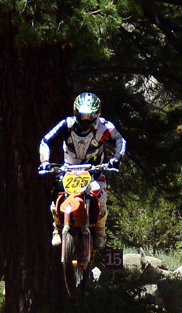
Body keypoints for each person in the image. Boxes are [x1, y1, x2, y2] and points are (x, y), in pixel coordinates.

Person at [38, 92, 126, 248]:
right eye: (82, 114)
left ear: (97, 114)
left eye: (90, 115)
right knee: (58, 189)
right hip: (69, 169)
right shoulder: (66, 124)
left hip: (94, 170)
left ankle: (100, 230)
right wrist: (44, 161)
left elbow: (120, 140)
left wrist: (116, 159)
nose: (86, 119)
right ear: (75, 111)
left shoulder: (105, 127)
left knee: (100, 194)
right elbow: (46, 141)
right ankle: (57, 228)